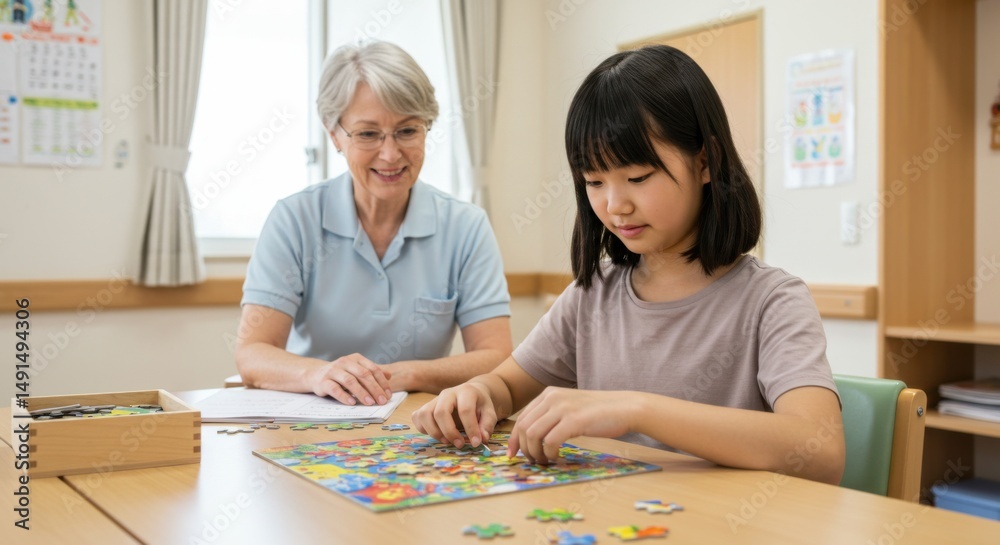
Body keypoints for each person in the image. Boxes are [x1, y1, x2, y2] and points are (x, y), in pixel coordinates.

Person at [412, 45, 845, 485]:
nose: (615, 205)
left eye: (638, 177)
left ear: (705, 161)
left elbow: (820, 449)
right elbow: (505, 386)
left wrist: (636, 409)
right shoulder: (591, 294)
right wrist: (477, 392)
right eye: (594, 182)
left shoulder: (772, 300)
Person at [235, 42, 513, 407]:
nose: (390, 154)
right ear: (334, 134)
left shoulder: (466, 226)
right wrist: (317, 374)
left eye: (407, 131)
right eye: (368, 134)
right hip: (310, 424)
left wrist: (407, 374)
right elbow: (253, 352)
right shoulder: (293, 219)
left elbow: (496, 356)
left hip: (420, 428)